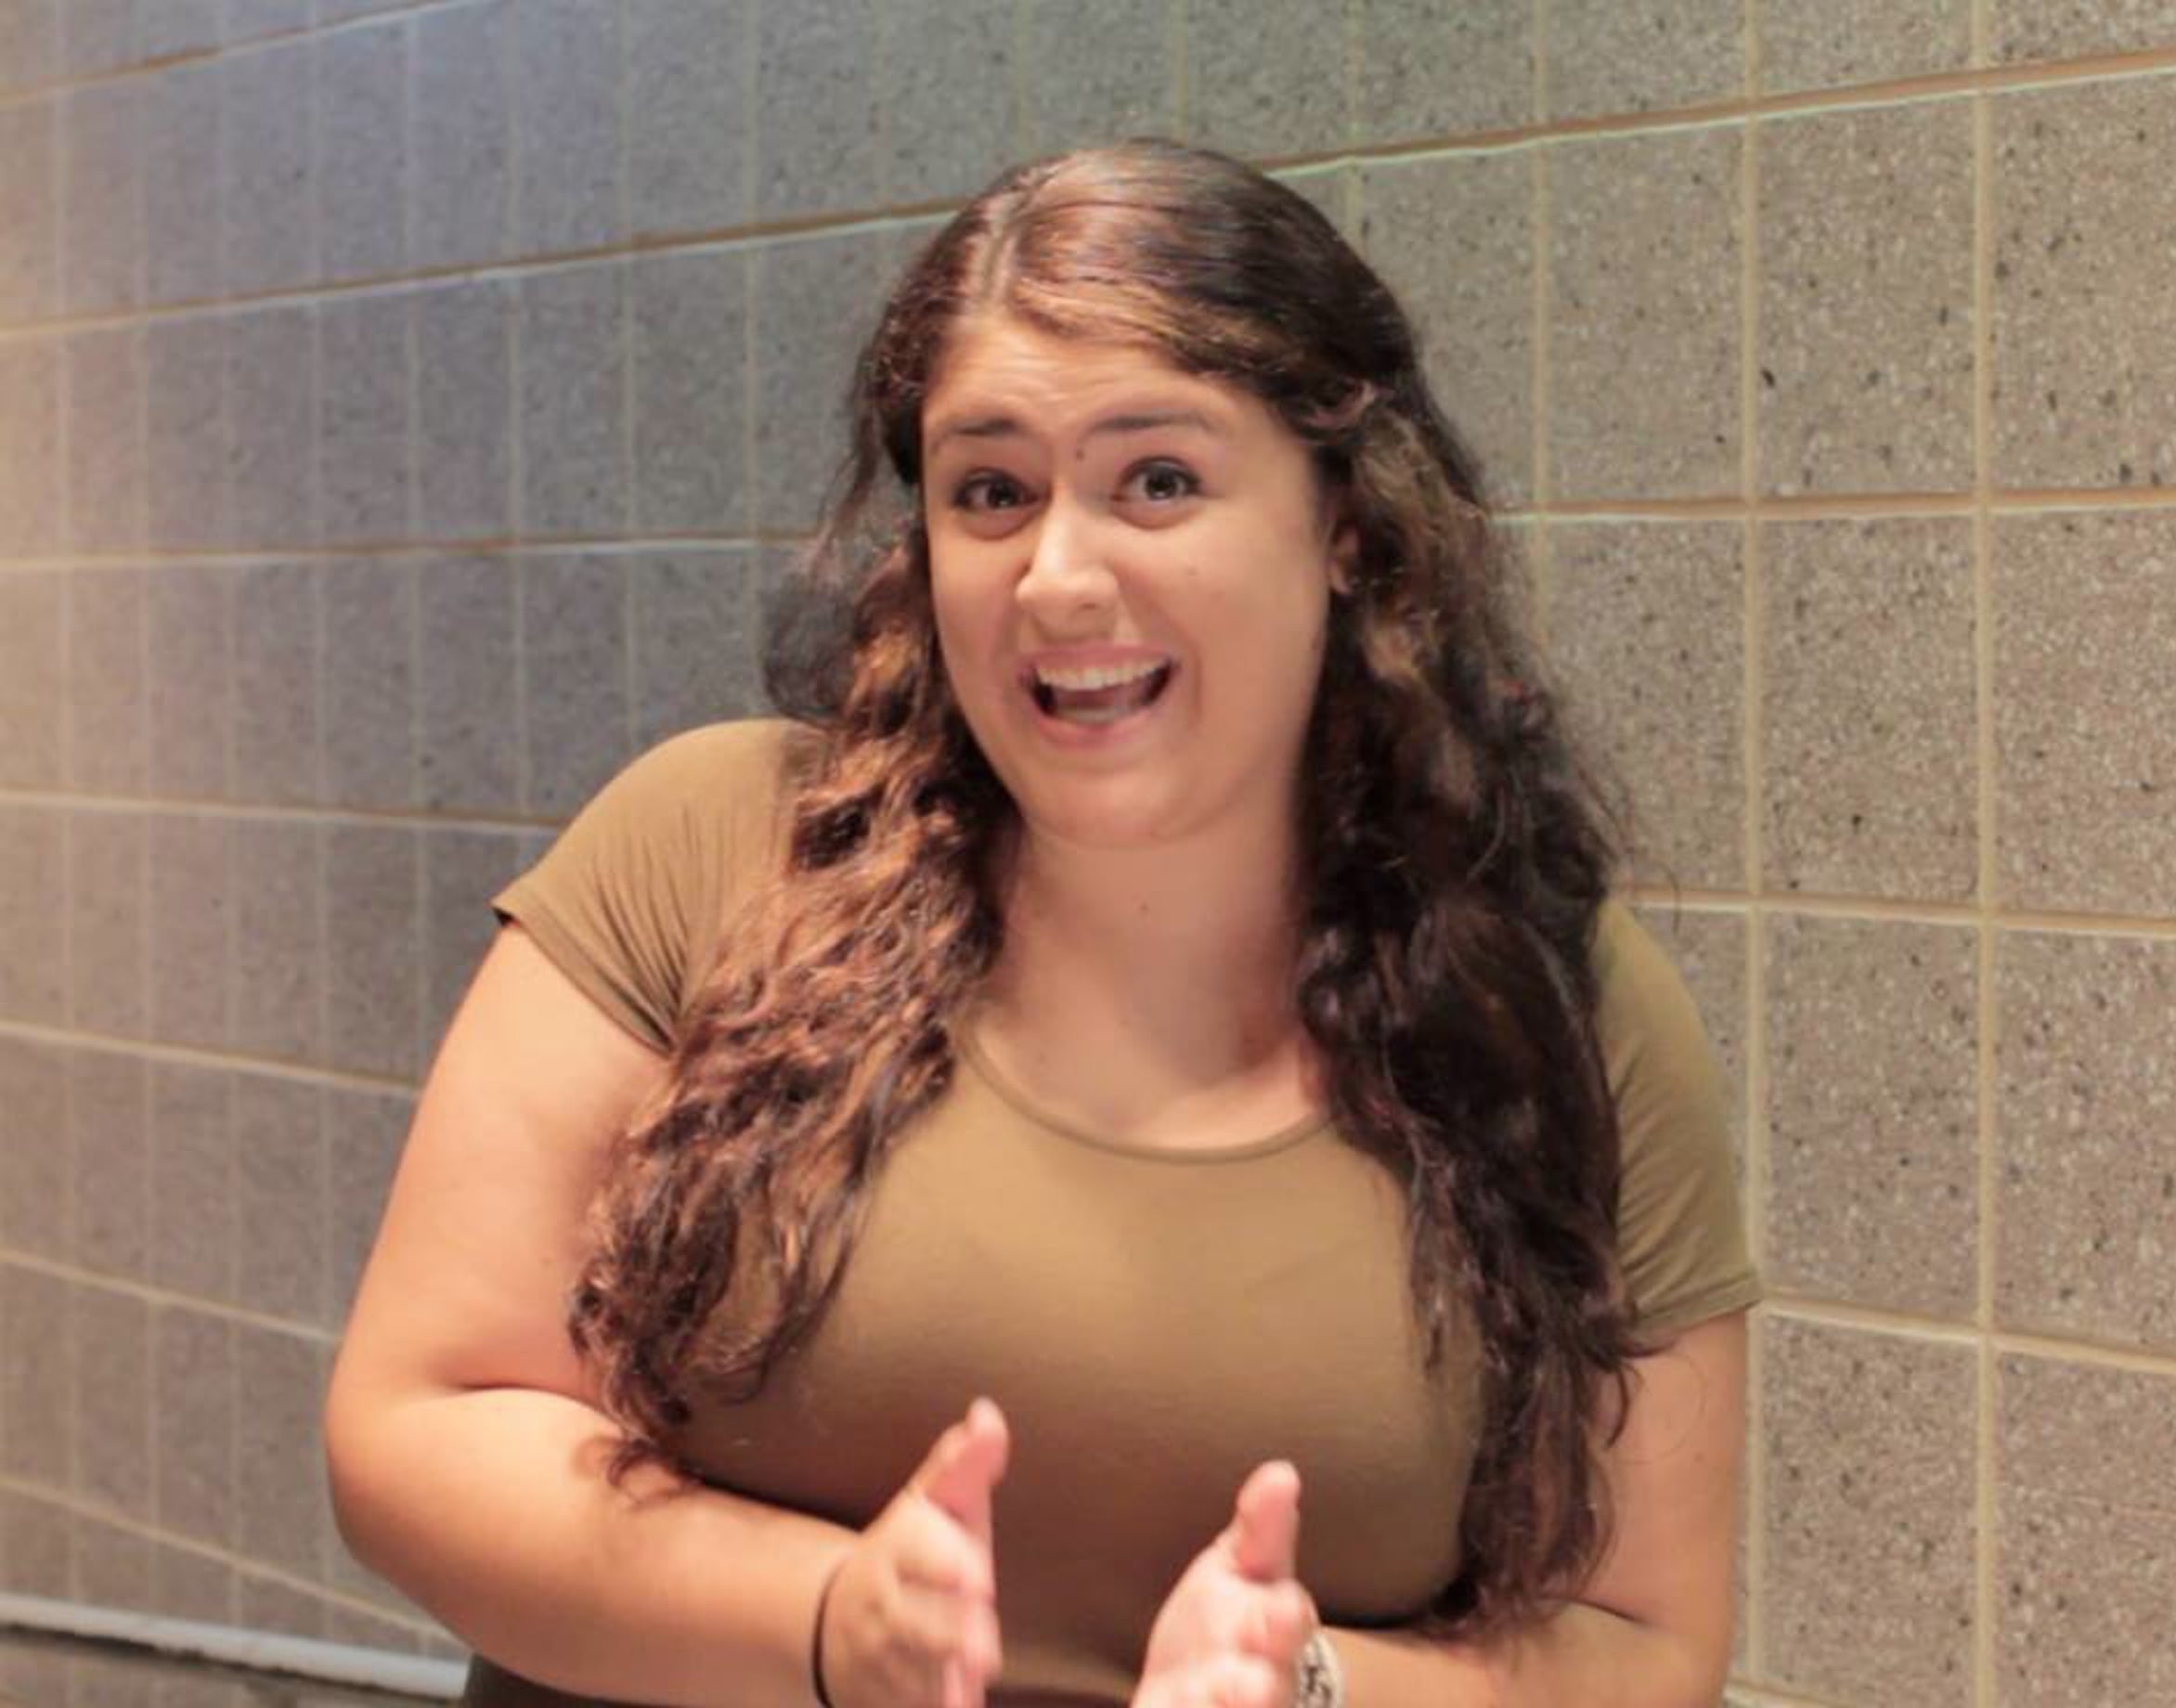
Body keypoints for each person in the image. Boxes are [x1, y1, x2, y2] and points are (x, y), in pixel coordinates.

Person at [324, 140, 1759, 1708]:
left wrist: (1312, 1688)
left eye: (1159, 481)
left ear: (1346, 524)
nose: (1059, 579)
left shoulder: (1546, 1002)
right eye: (992, 492)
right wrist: (825, 1624)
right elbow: (417, 1426)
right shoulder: (713, 850)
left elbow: (1645, 1644)